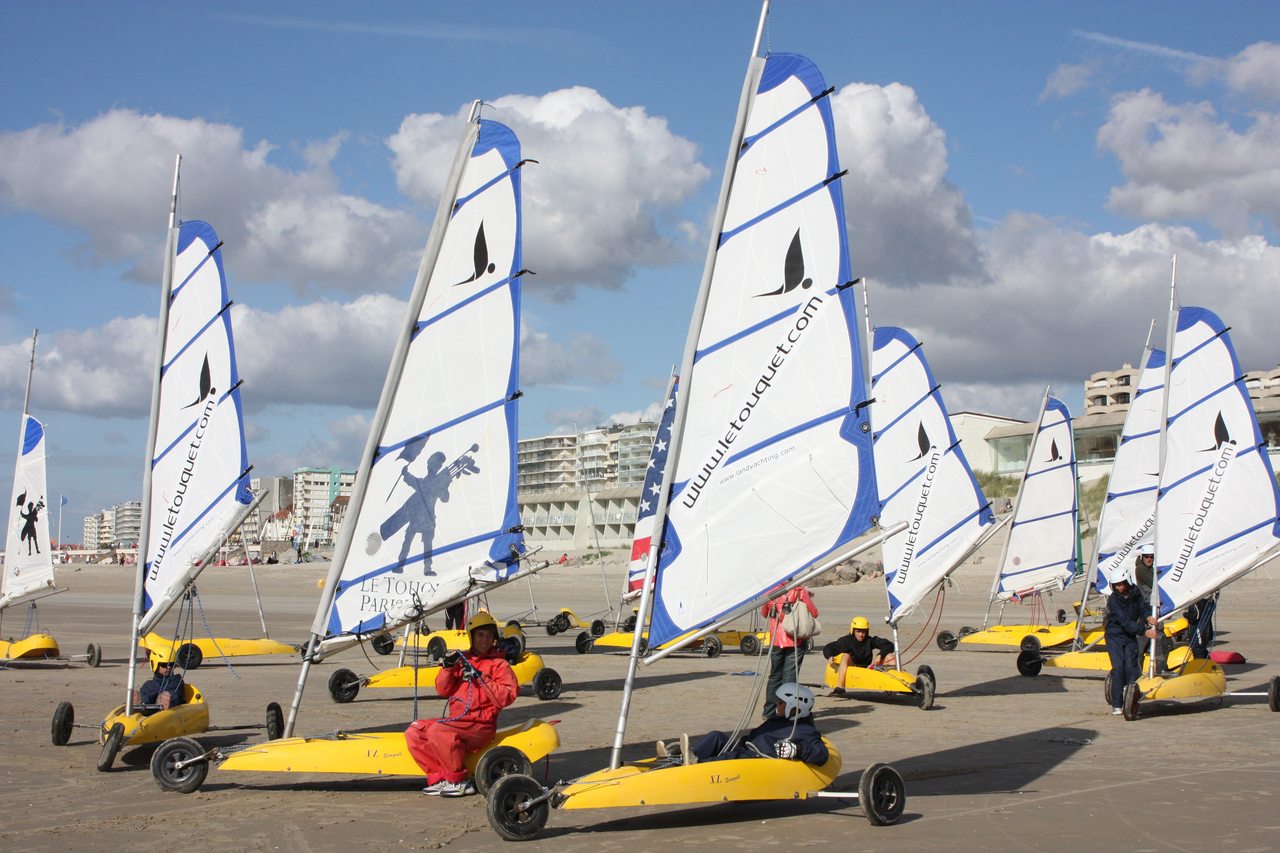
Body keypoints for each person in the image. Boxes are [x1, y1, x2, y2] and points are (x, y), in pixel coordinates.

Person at [405, 611, 518, 797]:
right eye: (480, 635)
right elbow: (443, 690)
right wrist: (447, 668)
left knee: (437, 731)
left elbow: (506, 697)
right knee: (414, 731)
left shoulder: (500, 665)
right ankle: (439, 777)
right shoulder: (462, 659)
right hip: (458, 720)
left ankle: (460, 781)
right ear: (471, 637)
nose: (485, 640)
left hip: (480, 725)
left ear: (494, 638)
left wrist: (481, 678)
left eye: (489, 635)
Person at [657, 683, 828, 766]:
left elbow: (821, 754)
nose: (777, 705)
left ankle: (698, 763)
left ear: (795, 707)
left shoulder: (805, 730)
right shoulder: (778, 721)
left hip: (756, 761)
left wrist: (797, 750)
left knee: (730, 758)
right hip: (745, 747)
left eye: (782, 703)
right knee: (717, 736)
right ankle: (686, 756)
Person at [1105, 566, 1157, 715]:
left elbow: (1142, 607)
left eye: (1120, 584)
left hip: (1129, 636)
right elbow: (1124, 621)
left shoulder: (1135, 593)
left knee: (1132, 667)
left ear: (1127, 582)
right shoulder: (1113, 601)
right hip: (1115, 636)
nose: (1118, 587)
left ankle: (1131, 698)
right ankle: (1117, 704)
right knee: (1119, 667)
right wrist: (1144, 631)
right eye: (1115, 585)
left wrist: (1148, 616)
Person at [760, 586, 818, 719]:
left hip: (776, 640)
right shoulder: (799, 591)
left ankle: (769, 712)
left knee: (774, 676)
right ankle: (785, 712)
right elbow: (814, 613)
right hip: (794, 640)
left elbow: (764, 613)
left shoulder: (768, 592)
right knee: (789, 679)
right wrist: (808, 597)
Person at [822, 616, 897, 696]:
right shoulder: (846, 641)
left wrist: (880, 655)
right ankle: (840, 688)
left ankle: (893, 685)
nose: (861, 635)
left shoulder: (870, 640)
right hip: (853, 668)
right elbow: (829, 647)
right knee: (846, 655)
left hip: (867, 668)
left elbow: (889, 645)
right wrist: (830, 656)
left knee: (889, 656)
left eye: (864, 632)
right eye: (858, 631)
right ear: (853, 630)